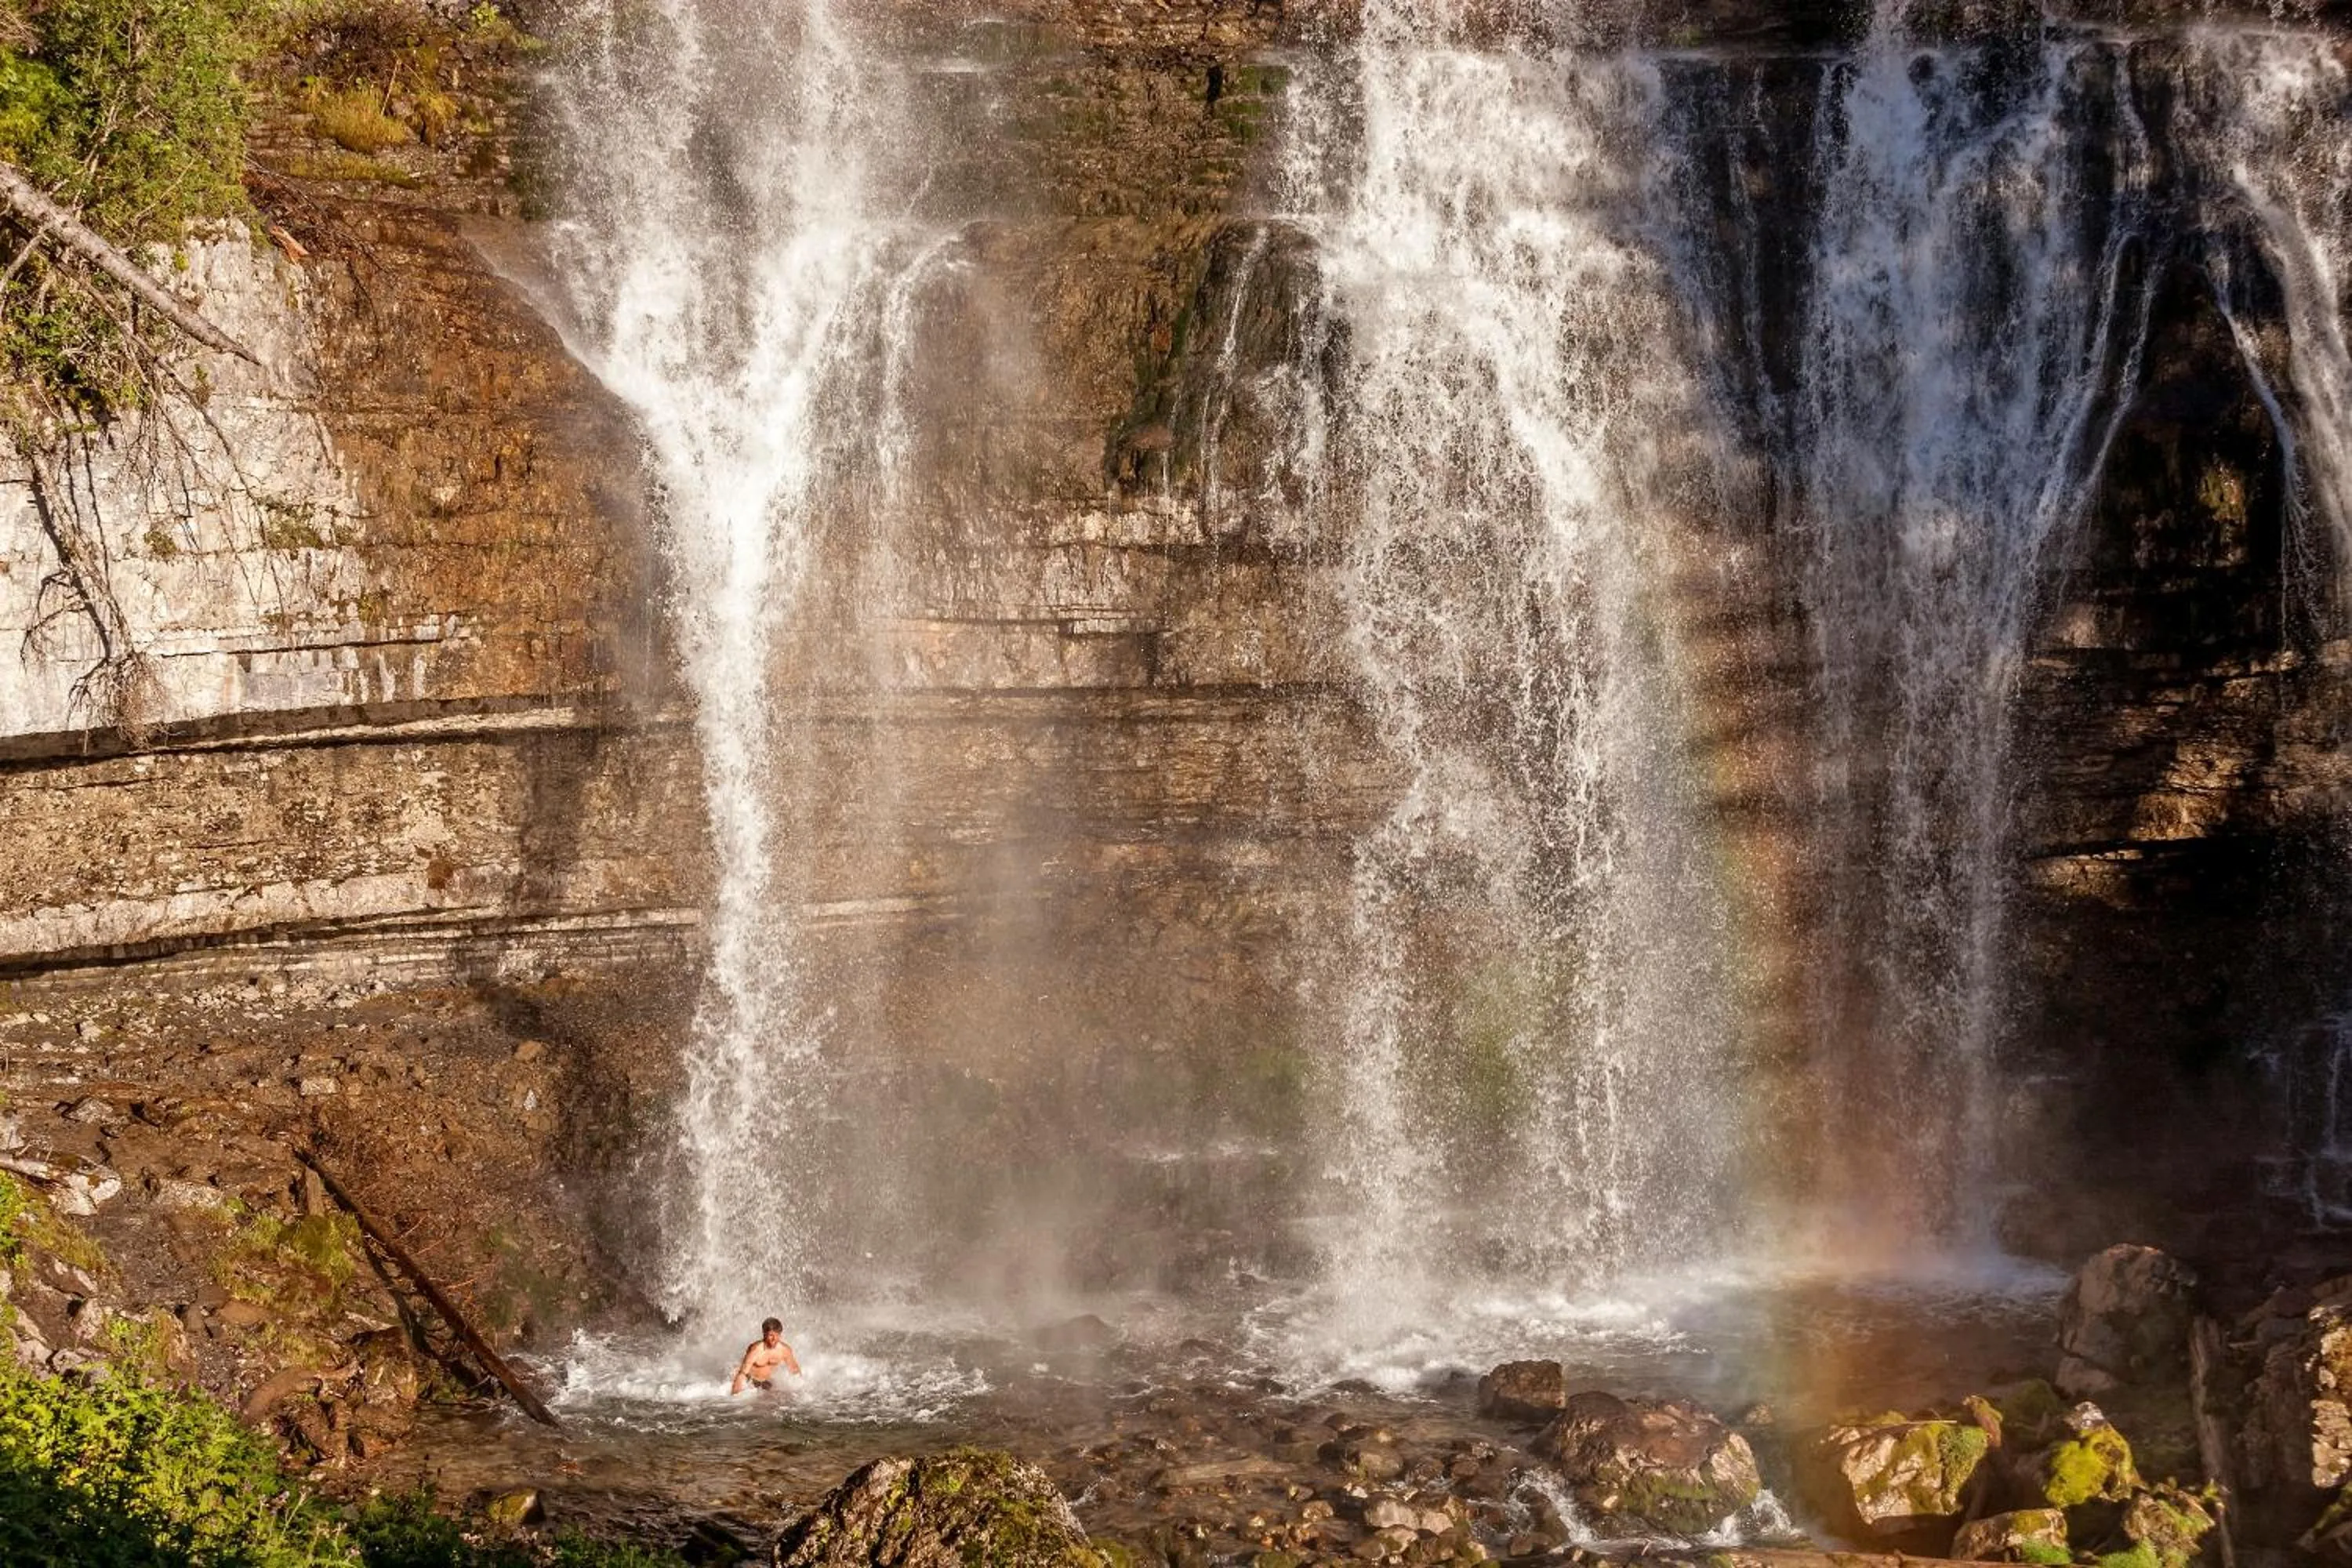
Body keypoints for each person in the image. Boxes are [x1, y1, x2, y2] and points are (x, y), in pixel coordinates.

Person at [730, 1317, 802, 1395]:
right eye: (771, 1335)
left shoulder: (784, 1350)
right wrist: (735, 1396)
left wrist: (801, 1393)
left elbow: (795, 1371)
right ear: (764, 1334)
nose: (774, 1339)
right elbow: (742, 1374)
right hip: (750, 1381)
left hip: (765, 1383)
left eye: (777, 1335)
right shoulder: (756, 1350)